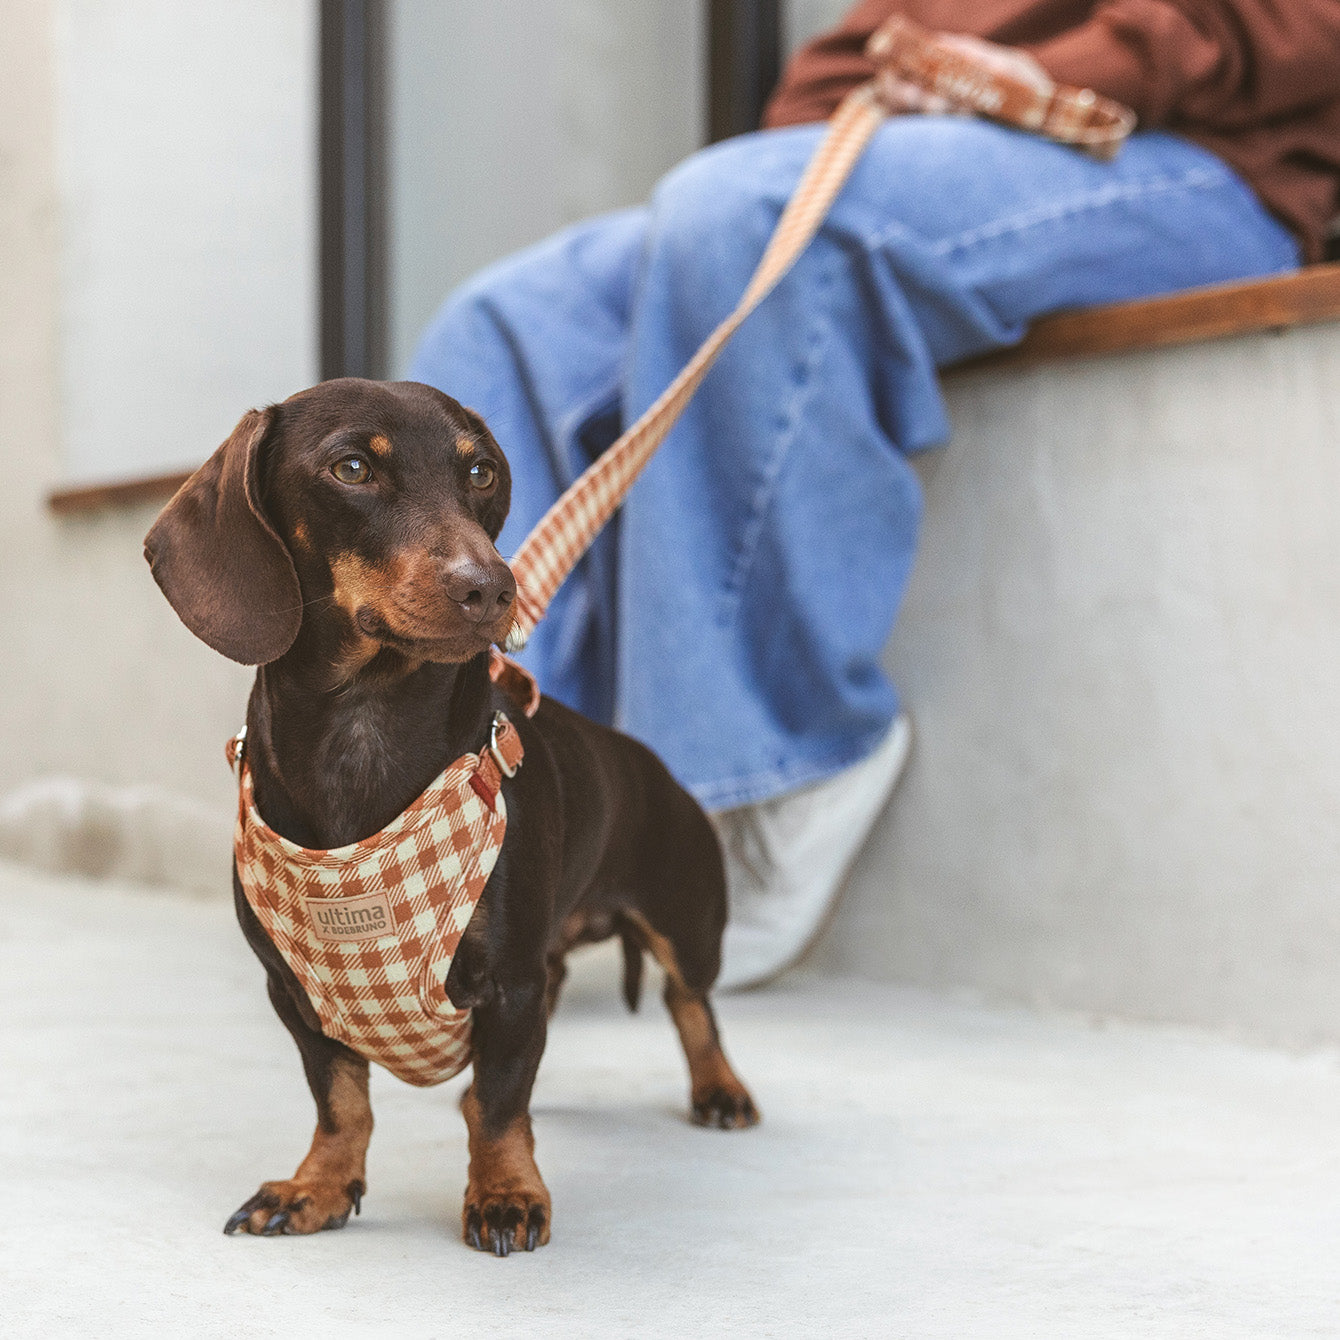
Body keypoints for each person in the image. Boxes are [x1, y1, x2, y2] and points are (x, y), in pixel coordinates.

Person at [410, 0, 1340, 989]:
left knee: (739, 212)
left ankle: (772, 760)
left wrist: (1079, 67)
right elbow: (844, 70)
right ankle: (512, 812)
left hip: (1203, 159)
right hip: (957, 142)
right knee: (508, 322)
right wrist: (886, 93)